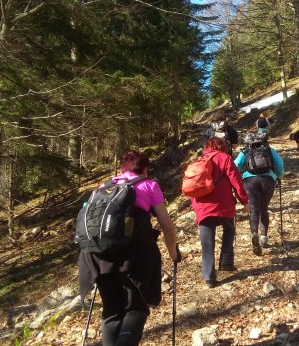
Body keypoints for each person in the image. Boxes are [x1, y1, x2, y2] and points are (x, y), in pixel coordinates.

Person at [78, 150, 181, 346]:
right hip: (133, 257)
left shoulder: (103, 187)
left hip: (97, 257)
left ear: (122, 168)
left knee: (112, 310)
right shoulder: (148, 185)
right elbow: (167, 227)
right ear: (145, 169)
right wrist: (173, 253)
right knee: (136, 309)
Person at [190, 137, 249, 288]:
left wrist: (196, 207)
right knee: (229, 229)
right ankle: (226, 262)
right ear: (222, 147)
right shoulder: (225, 158)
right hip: (223, 204)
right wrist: (244, 201)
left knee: (207, 242)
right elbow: (236, 181)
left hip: (202, 206)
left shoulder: (198, 161)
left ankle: (209, 277)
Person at [234, 133, 284, 255]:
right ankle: (264, 237)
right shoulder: (269, 149)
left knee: (253, 210)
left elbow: (235, 165)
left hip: (249, 181)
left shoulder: (245, 150)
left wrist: (240, 177)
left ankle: (254, 233)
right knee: (263, 209)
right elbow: (280, 164)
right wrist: (277, 176)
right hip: (268, 180)